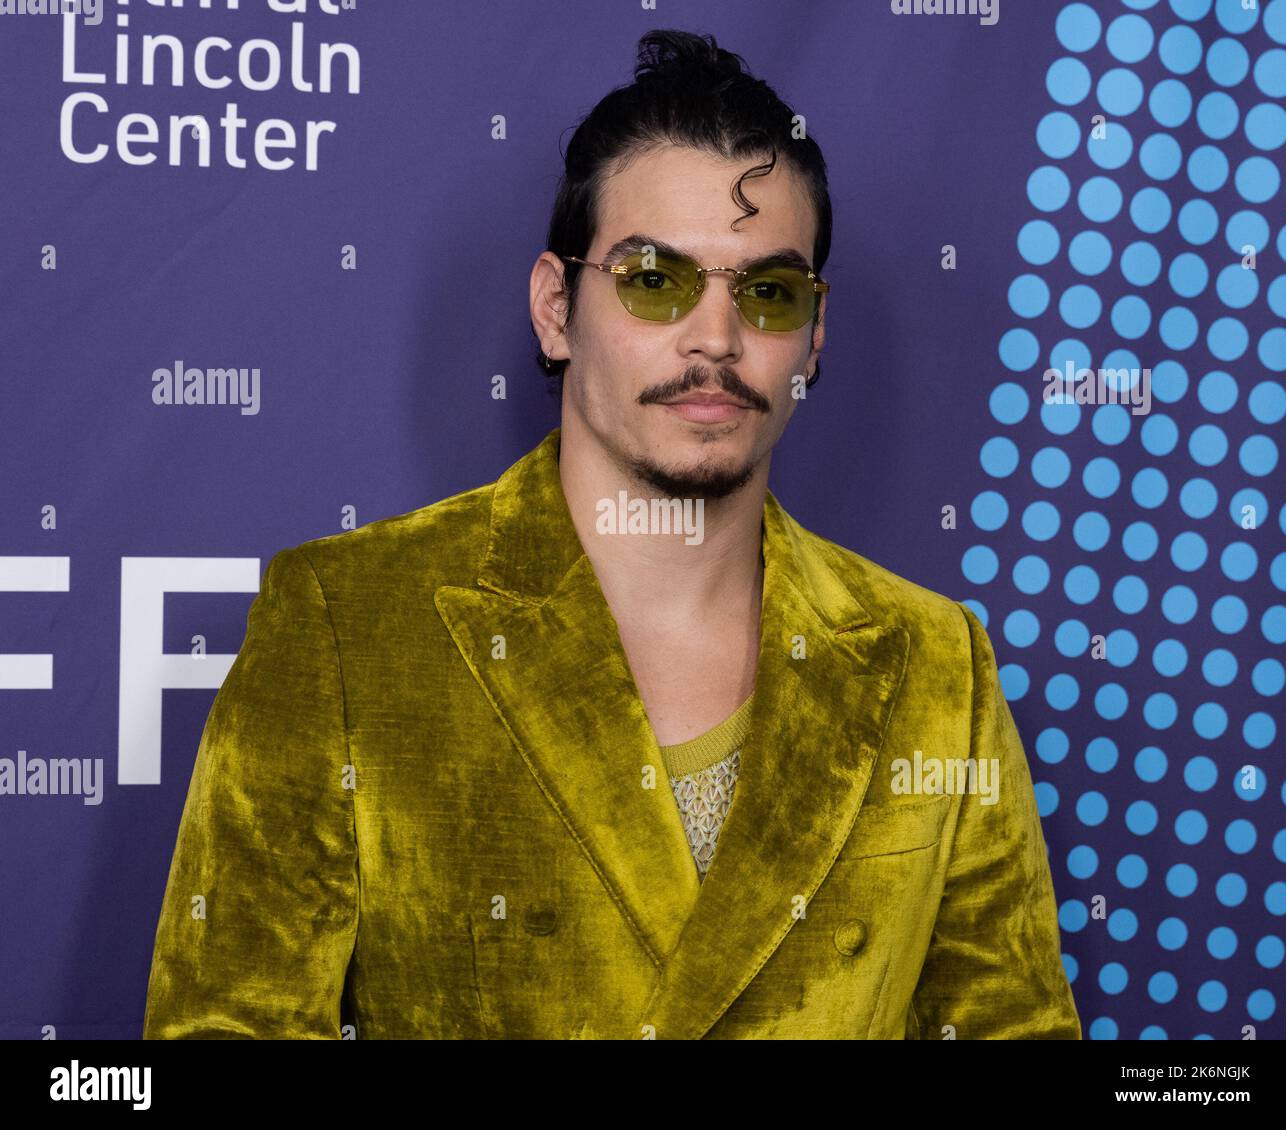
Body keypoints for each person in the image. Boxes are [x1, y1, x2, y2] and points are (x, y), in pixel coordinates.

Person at [143, 28, 1081, 1040]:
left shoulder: (935, 662)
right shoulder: (347, 622)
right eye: (653, 279)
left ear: (815, 331)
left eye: (766, 291)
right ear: (556, 308)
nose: (715, 339)